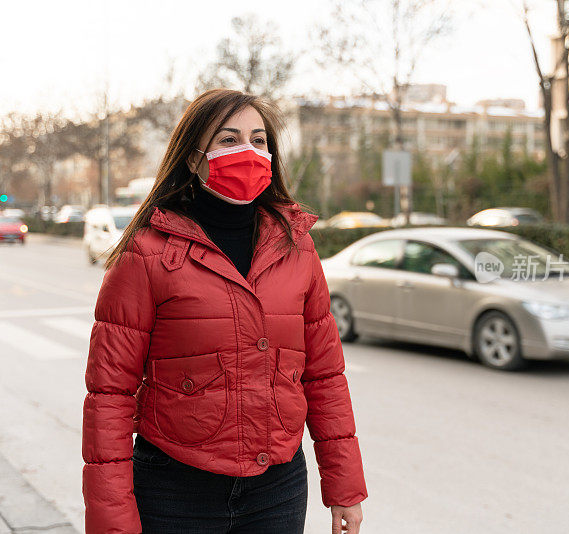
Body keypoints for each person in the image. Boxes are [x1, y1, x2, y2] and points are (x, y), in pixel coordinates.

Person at [81, 88, 367, 534]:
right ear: (193, 157)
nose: (248, 152)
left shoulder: (297, 247)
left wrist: (344, 486)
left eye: (259, 140)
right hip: (176, 490)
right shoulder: (146, 253)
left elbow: (325, 376)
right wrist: (113, 522)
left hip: (278, 488)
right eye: (229, 139)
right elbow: (109, 397)